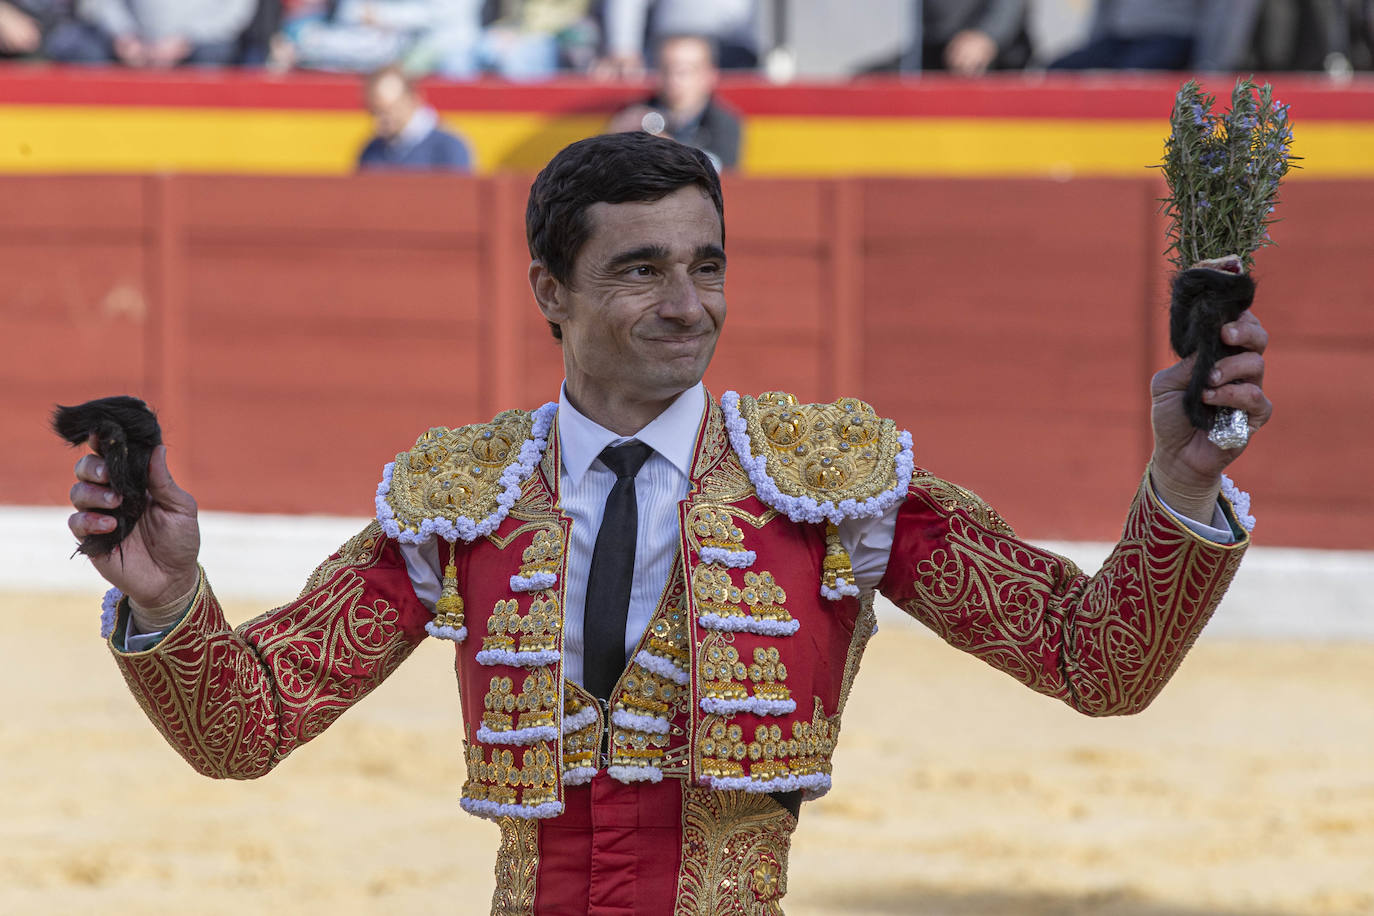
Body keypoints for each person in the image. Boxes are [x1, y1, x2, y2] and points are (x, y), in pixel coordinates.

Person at [68, 131, 1270, 913]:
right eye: (641, 270)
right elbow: (249, 726)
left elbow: (1096, 662)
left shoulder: (830, 483)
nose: (688, 304)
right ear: (551, 291)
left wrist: (1183, 487)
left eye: (708, 264)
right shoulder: (463, 502)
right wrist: (171, 598)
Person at [607, 33, 742, 170]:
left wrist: (669, 149)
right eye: (665, 69)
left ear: (709, 75)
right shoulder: (636, 113)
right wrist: (615, 140)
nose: (673, 79)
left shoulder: (723, 122)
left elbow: (719, 171)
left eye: (684, 71)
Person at [357, 65, 472, 172]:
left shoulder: (448, 147)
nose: (380, 121)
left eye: (388, 111)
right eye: (374, 112)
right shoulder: (371, 151)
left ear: (413, 99)